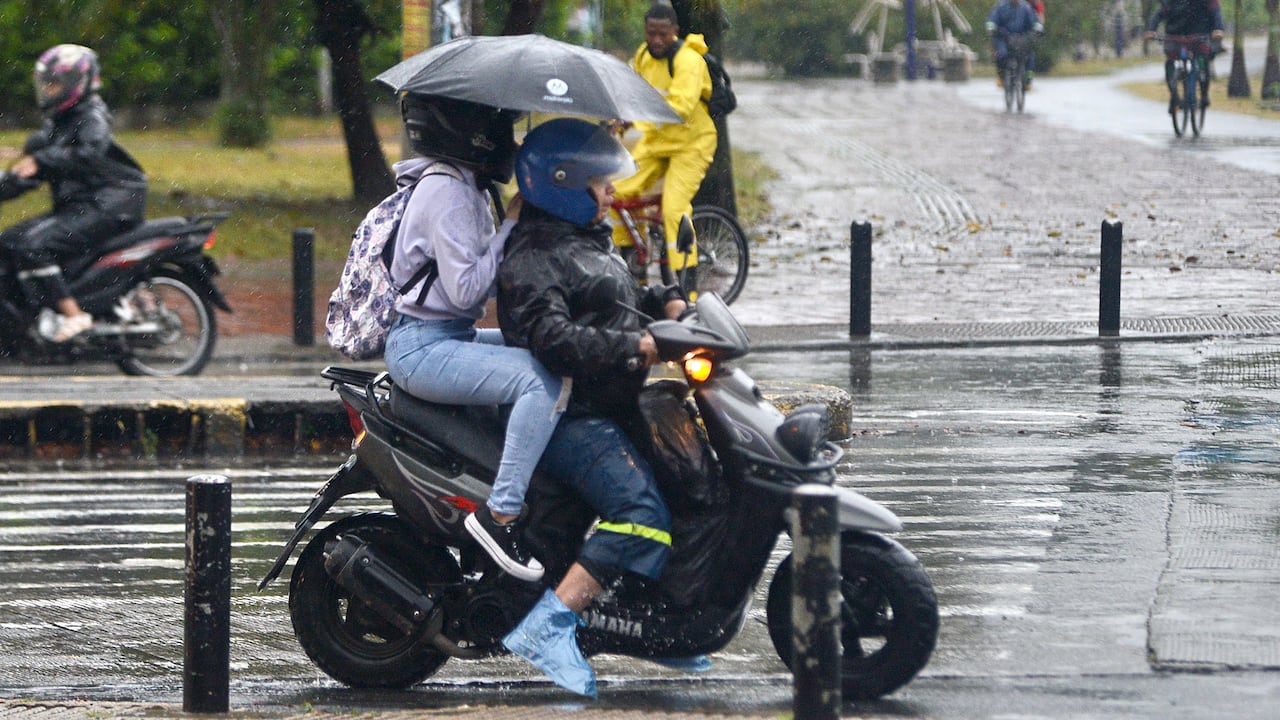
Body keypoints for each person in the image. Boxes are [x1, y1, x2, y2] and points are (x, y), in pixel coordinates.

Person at [496, 118, 703, 698]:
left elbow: (619, 301)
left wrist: (669, 301)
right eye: (601, 183)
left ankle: (656, 628)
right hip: (573, 415)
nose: (612, 193)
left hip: (615, 401)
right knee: (642, 516)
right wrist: (635, 345)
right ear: (563, 185)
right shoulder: (534, 255)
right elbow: (555, 340)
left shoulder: (584, 238)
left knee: (688, 488)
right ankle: (549, 628)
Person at [383, 93, 564, 583]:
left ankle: (530, 495)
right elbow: (466, 292)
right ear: (471, 134)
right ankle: (500, 515)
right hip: (424, 347)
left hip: (444, 336)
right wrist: (509, 228)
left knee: (544, 353)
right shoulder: (449, 194)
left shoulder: (464, 185)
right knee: (538, 383)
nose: (510, 143)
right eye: (501, 131)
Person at [0, 44, 146, 343]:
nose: (48, 89)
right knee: (9, 242)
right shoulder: (59, 123)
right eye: (46, 83)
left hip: (109, 204)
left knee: (32, 246)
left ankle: (73, 314)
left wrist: (41, 160)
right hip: (79, 205)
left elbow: (89, 153)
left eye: (54, 83)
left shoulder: (91, 117)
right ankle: (25, 324)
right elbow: (37, 172)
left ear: (75, 85)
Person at [610, 2, 717, 293]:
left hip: (692, 144)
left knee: (674, 210)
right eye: (651, 33)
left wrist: (641, 112)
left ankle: (688, 286)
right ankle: (635, 272)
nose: (657, 40)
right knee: (616, 192)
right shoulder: (643, 55)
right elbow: (633, 93)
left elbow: (680, 108)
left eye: (663, 34)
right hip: (658, 141)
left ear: (675, 31)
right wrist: (621, 119)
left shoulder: (689, 61)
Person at [1143, 0, 1225, 114]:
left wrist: (1218, 28)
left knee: (1203, 61)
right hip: (1174, 36)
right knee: (1170, 62)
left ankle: (1204, 94)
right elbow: (1159, 14)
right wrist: (1151, 30)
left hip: (1199, 36)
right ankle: (1175, 97)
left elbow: (1215, 12)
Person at [986, 0, 1043, 87]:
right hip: (1003, 38)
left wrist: (1038, 28)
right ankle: (1001, 76)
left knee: (1029, 57)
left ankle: (1028, 79)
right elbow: (992, 20)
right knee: (1001, 55)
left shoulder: (1025, 7)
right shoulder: (1001, 6)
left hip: (1021, 38)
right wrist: (991, 27)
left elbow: (1034, 21)